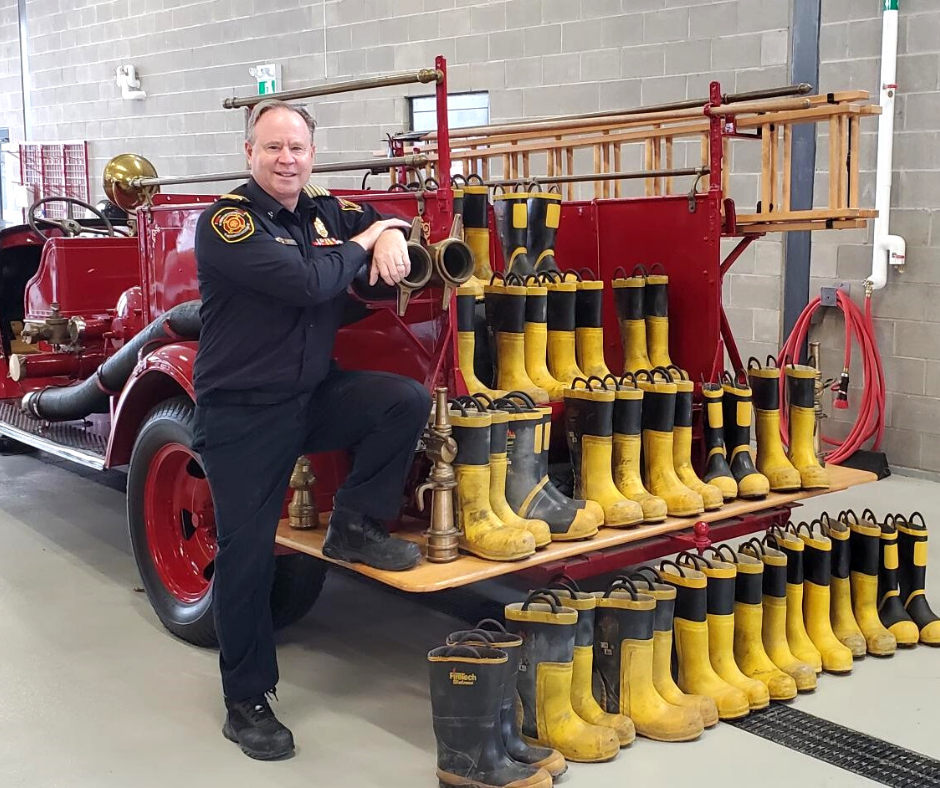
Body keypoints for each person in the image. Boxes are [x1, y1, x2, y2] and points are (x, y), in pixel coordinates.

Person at [191, 99, 432, 761]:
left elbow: (394, 217)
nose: (287, 159)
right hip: (242, 411)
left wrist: (385, 233)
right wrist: (365, 241)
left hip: (308, 392)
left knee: (403, 401)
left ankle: (355, 525)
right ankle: (246, 701)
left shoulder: (321, 207)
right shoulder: (227, 224)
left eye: (297, 147)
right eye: (273, 148)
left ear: (312, 154)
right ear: (249, 155)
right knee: (248, 556)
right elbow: (305, 282)